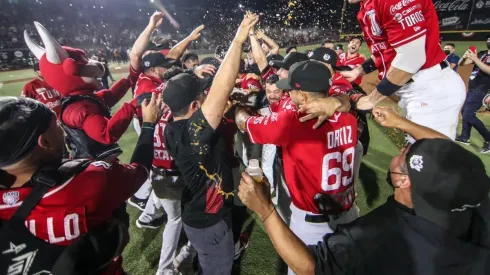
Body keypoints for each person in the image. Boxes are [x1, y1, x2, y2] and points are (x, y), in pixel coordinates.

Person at [238, 106, 490, 275]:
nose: (401, 149)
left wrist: (266, 209)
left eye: (404, 154)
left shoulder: (380, 233)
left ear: (404, 181)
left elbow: (311, 267)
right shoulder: (474, 199)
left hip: (315, 224)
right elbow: (444, 150)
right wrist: (400, 122)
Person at [0, 94, 164, 274]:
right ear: (44, 141)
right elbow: (139, 171)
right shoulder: (87, 182)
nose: (62, 130)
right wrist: (149, 124)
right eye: (56, 126)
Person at [235, 61, 359, 275]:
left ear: (302, 95)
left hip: (314, 225)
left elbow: (244, 123)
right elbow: (345, 101)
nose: (287, 92)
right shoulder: (348, 118)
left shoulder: (293, 122)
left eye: (291, 89)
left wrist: (238, 109)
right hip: (350, 215)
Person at [162, 13, 259, 275]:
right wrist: (238, 39)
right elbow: (222, 86)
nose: (209, 95)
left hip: (200, 214)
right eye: (203, 94)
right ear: (194, 107)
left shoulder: (172, 127)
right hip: (209, 221)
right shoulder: (195, 133)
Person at [338, 0, 466, 142]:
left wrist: (371, 99)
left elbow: (411, 58)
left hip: (429, 89)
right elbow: (388, 52)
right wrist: (358, 71)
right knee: (412, 156)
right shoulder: (368, 5)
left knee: (425, 159)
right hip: (418, 87)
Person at [128, 13, 208, 210]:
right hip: (147, 122)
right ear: (155, 69)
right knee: (158, 160)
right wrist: (191, 74)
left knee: (159, 161)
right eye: (164, 66)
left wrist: (189, 38)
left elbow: (172, 55)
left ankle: (149, 201)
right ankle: (146, 199)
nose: (170, 65)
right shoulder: (146, 83)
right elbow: (136, 55)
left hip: (152, 120)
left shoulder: (149, 72)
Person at [456, 39, 490, 154]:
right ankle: (465, 137)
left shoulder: (478, 57)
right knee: (465, 111)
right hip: (473, 87)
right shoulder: (482, 53)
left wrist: (475, 59)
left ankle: (488, 139)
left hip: (483, 88)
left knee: (469, 115)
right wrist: (466, 56)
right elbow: (462, 63)